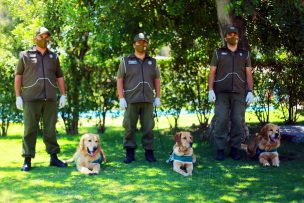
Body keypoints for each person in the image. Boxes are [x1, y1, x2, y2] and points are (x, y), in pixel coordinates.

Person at [15, 27, 68, 171]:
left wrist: (63, 94)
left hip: (50, 99)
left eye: (47, 36)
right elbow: (18, 76)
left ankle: (54, 158)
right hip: (31, 99)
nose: (45, 38)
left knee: (50, 129)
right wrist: (18, 96)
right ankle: (27, 159)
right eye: (42, 36)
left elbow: (59, 77)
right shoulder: (25, 56)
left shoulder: (53, 57)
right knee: (30, 129)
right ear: (35, 38)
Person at [208, 25, 254, 161]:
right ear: (225, 37)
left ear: (238, 37)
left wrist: (250, 91)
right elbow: (212, 72)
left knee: (237, 122)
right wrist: (210, 89)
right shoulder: (218, 53)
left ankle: (235, 150)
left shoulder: (245, 54)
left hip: (239, 93)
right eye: (230, 34)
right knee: (221, 121)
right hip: (221, 93)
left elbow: (249, 73)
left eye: (235, 34)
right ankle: (220, 150)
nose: (233, 36)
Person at [116, 33, 161, 163]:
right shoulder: (125, 61)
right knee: (129, 127)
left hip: (147, 99)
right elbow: (120, 79)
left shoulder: (152, 62)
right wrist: (121, 97)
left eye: (144, 42)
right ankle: (130, 153)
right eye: (139, 42)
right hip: (131, 100)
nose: (142, 44)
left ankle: (149, 152)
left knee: (148, 127)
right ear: (134, 44)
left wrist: (157, 96)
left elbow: (157, 79)